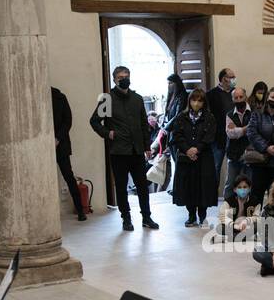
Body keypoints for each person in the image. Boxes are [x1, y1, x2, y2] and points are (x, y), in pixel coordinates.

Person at [89, 65, 159, 232]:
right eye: (120, 77)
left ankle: (146, 217)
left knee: (142, 185)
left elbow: (144, 124)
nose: (124, 79)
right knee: (121, 187)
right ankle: (126, 218)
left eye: (126, 76)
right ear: (114, 80)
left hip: (137, 150)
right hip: (119, 151)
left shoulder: (137, 99)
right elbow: (94, 121)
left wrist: (147, 146)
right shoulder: (107, 99)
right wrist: (108, 133)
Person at [170, 88, 217, 227]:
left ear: (204, 102)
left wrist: (197, 149)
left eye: (199, 101)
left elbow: (210, 136)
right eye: (194, 100)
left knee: (203, 187)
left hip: (204, 157)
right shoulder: (181, 117)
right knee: (188, 186)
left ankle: (203, 216)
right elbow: (177, 135)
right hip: (186, 158)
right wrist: (188, 149)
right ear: (189, 101)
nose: (196, 103)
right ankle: (191, 215)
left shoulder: (210, 117)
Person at [246, 88, 274, 207]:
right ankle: (254, 221)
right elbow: (251, 132)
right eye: (272, 97)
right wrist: (266, 147)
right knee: (256, 195)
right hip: (260, 161)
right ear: (267, 98)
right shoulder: (257, 113)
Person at [51, 86, 85, 221]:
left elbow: (68, 120)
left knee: (69, 177)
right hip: (42, 143)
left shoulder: (60, 97)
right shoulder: (35, 97)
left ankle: (80, 209)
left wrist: (57, 138)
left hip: (61, 143)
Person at [206, 68, 237, 196]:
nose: (234, 79)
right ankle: (211, 196)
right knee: (215, 168)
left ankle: (233, 197)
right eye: (232, 76)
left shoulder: (236, 93)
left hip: (234, 137)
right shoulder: (211, 94)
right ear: (224, 78)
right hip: (218, 138)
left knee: (234, 169)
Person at [221, 86, 252, 200]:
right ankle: (227, 212)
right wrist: (246, 128)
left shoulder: (254, 113)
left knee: (250, 183)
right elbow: (231, 134)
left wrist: (238, 129)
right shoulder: (229, 115)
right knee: (230, 183)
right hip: (233, 154)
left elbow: (253, 131)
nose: (239, 100)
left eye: (241, 97)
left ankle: (249, 211)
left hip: (250, 154)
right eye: (236, 97)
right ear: (232, 99)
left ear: (246, 97)